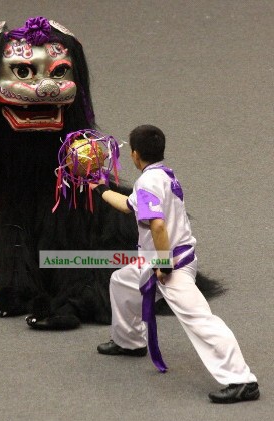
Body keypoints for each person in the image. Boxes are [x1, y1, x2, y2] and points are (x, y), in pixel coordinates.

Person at [91, 124, 259, 403]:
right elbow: (129, 205)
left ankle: (241, 379)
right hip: (161, 258)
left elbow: (156, 225)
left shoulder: (147, 183)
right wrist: (100, 189)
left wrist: (164, 264)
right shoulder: (162, 175)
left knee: (200, 319)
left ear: (134, 154)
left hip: (170, 263)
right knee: (122, 281)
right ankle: (129, 341)